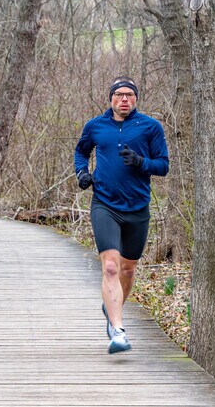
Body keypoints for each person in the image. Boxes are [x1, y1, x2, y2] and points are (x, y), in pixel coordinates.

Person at [74, 76, 169, 354]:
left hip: (138, 207)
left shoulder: (150, 127)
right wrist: (82, 173)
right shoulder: (95, 126)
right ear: (111, 98)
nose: (124, 99)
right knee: (111, 268)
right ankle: (117, 330)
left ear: (136, 99)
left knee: (128, 269)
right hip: (104, 203)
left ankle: (112, 306)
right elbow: (81, 152)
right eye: (119, 95)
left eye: (129, 95)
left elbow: (163, 165)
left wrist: (141, 162)